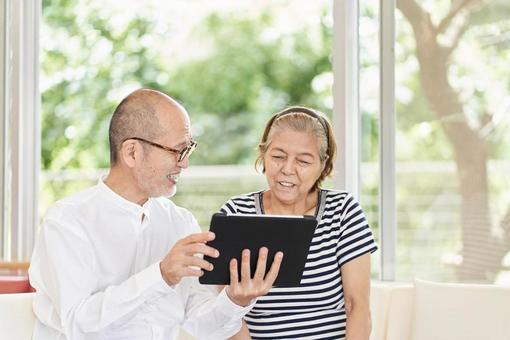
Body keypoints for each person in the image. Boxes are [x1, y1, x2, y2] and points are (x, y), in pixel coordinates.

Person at [28, 88, 283, 340]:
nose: (185, 163)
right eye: (177, 151)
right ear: (132, 152)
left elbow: (203, 328)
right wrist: (161, 276)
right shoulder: (67, 221)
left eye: (188, 149)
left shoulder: (181, 222)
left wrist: (236, 300)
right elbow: (78, 325)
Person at [221, 106, 378, 340]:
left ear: (323, 166)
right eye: (278, 156)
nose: (287, 169)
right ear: (263, 154)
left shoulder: (343, 212)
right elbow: (228, 316)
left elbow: (358, 307)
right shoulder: (235, 213)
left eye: (303, 161)